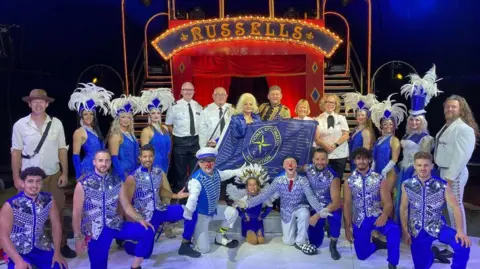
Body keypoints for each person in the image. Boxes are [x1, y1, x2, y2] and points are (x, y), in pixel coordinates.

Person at [11, 89, 76, 258]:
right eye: (34, 101)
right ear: (29, 104)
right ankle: (27, 248)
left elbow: (63, 149)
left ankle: (60, 245)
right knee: (26, 215)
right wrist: (16, 177)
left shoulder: (57, 124)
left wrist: (64, 173)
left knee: (58, 212)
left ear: (47, 103)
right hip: (29, 179)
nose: (38, 104)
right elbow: (16, 152)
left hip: (53, 175)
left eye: (42, 101)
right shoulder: (20, 125)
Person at [72, 149, 154, 269]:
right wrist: (78, 237)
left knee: (147, 231)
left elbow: (126, 206)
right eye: (100, 161)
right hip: (95, 231)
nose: (103, 164)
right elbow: (76, 213)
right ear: (94, 162)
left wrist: (140, 219)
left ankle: (135, 267)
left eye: (107, 161)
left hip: (115, 225)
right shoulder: (83, 184)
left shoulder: (117, 182)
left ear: (111, 162)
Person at [239, 157, 330, 256]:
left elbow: (310, 196)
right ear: (283, 166)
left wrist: (320, 210)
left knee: (304, 213)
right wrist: (248, 203)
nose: (290, 164)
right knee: (288, 242)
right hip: (286, 210)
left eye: (293, 162)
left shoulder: (303, 180)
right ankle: (294, 234)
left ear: (296, 166)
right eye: (287, 163)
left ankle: (301, 241)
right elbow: (265, 195)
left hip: (300, 206)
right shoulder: (278, 180)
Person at [400, 151, 471, 268]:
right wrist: (405, 230)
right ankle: (432, 254)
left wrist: (460, 231)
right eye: (419, 165)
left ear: (432, 166)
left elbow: (455, 207)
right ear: (414, 166)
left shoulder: (442, 185)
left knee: (463, 246)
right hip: (417, 230)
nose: (423, 168)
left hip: (438, 226)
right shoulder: (407, 184)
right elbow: (403, 208)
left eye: (426, 165)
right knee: (422, 266)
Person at [120, 144, 189, 260]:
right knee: (146, 255)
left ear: (154, 157)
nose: (148, 159)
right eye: (145, 156)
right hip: (145, 217)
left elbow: (161, 190)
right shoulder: (133, 178)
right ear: (140, 158)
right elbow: (126, 203)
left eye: (150, 156)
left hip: (160, 210)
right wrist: (135, 221)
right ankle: (126, 244)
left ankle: (186, 243)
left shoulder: (158, 172)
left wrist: (176, 195)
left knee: (189, 211)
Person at [434, 94, 479, 257]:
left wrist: (450, 179)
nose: (449, 109)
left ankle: (460, 245)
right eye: (447, 106)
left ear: (461, 109)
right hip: (445, 171)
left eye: (453, 106)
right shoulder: (448, 126)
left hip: (454, 173)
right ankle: (454, 241)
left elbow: (461, 156)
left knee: (456, 208)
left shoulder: (463, 129)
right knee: (452, 209)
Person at [178, 148, 243, 257]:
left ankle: (220, 236)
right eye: (204, 161)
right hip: (201, 216)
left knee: (233, 213)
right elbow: (193, 197)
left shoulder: (216, 173)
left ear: (214, 162)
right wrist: (189, 210)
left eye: (211, 160)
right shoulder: (196, 180)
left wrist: (238, 171)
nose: (208, 164)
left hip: (214, 210)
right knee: (204, 249)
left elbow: (226, 173)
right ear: (199, 163)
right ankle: (196, 235)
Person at [395, 65, 440, 222]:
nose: (414, 122)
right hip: (404, 170)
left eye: (417, 120)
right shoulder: (407, 134)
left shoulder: (426, 138)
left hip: (415, 173)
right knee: (402, 201)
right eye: (412, 119)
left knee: (414, 202)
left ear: (422, 121)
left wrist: (417, 173)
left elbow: (425, 159)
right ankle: (402, 228)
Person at [343, 147, 400, 269]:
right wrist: (348, 227)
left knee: (394, 229)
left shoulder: (379, 179)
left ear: (369, 160)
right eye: (358, 158)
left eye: (364, 158)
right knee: (362, 256)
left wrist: (384, 215)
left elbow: (388, 203)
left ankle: (392, 262)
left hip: (377, 215)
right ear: (354, 161)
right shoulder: (349, 181)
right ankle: (375, 245)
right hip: (360, 220)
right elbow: (347, 204)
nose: (361, 161)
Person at [0, 167, 68, 269]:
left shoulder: (48, 200)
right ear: (23, 183)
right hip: (17, 249)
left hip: (41, 246)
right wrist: (18, 261)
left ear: (42, 183)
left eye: (38, 181)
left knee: (59, 266)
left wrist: (57, 252)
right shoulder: (11, 205)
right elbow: (3, 236)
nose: (34, 185)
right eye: (30, 181)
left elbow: (56, 225)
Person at [302, 148, 342, 260]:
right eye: (317, 159)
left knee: (336, 218)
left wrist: (318, 215)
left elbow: (336, 203)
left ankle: (333, 244)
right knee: (315, 242)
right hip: (314, 206)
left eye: (323, 159)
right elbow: (294, 167)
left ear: (327, 160)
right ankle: (322, 227)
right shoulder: (307, 168)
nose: (320, 162)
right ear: (313, 160)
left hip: (329, 207)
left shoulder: (333, 176)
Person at [68, 83, 113, 179]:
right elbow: (75, 155)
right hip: (88, 169)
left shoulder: (96, 130)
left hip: (100, 167)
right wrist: (78, 175)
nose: (88, 116)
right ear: (81, 116)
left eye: (91, 114)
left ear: (94, 116)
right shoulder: (79, 132)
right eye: (85, 114)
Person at [165, 82, 203, 192]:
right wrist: (176, 134)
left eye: (190, 90)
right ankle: (180, 197)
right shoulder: (174, 106)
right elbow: (168, 124)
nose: (188, 92)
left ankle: (194, 193)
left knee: (195, 170)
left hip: (195, 142)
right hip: (180, 142)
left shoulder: (199, 106)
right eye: (185, 89)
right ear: (181, 91)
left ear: (194, 92)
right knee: (180, 172)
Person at [226, 163, 273, 245]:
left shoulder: (262, 197)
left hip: (258, 222)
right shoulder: (245, 197)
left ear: (258, 186)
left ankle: (257, 233)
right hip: (247, 222)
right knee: (254, 242)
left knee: (261, 241)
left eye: (254, 184)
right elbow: (236, 208)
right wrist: (244, 216)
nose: (252, 187)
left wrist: (262, 216)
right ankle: (249, 234)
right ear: (246, 187)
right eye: (250, 185)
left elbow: (270, 206)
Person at [370, 94, 407, 190]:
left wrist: (384, 171)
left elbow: (394, 159)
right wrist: (372, 169)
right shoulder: (378, 139)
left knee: (387, 197)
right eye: (385, 124)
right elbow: (374, 156)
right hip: (377, 171)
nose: (388, 126)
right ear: (381, 126)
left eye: (391, 124)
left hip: (389, 171)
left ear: (394, 125)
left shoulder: (394, 140)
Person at [139, 88, 175, 173]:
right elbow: (144, 153)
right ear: (149, 115)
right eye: (153, 113)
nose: (156, 115)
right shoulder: (146, 131)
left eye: (158, 113)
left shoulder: (165, 128)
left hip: (166, 163)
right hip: (153, 165)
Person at [107, 94, 142, 181]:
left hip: (134, 171)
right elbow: (114, 158)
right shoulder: (116, 135)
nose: (126, 120)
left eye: (128, 117)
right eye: (123, 117)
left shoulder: (131, 134)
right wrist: (122, 176)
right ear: (118, 118)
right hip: (122, 173)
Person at [315, 94, 350, 181]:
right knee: (323, 181)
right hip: (324, 155)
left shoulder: (341, 118)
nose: (330, 104)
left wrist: (335, 145)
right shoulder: (318, 119)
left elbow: (346, 135)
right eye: (328, 102)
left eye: (333, 102)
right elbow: (317, 138)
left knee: (336, 180)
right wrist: (326, 147)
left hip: (340, 154)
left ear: (336, 105)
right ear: (323, 103)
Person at [343, 92, 378, 171]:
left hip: (361, 163)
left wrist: (359, 164)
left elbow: (365, 151)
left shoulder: (366, 131)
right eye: (358, 115)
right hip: (354, 161)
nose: (360, 117)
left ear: (367, 117)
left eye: (363, 115)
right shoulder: (356, 129)